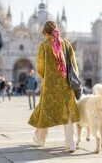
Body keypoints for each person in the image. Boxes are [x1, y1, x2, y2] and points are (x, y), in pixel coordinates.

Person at [28, 21, 80, 153]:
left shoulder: (44, 46)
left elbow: (40, 68)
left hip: (50, 85)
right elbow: (74, 65)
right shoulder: (66, 44)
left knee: (45, 111)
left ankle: (41, 138)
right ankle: (71, 143)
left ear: (45, 32)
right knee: (67, 112)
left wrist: (47, 77)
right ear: (56, 30)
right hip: (66, 85)